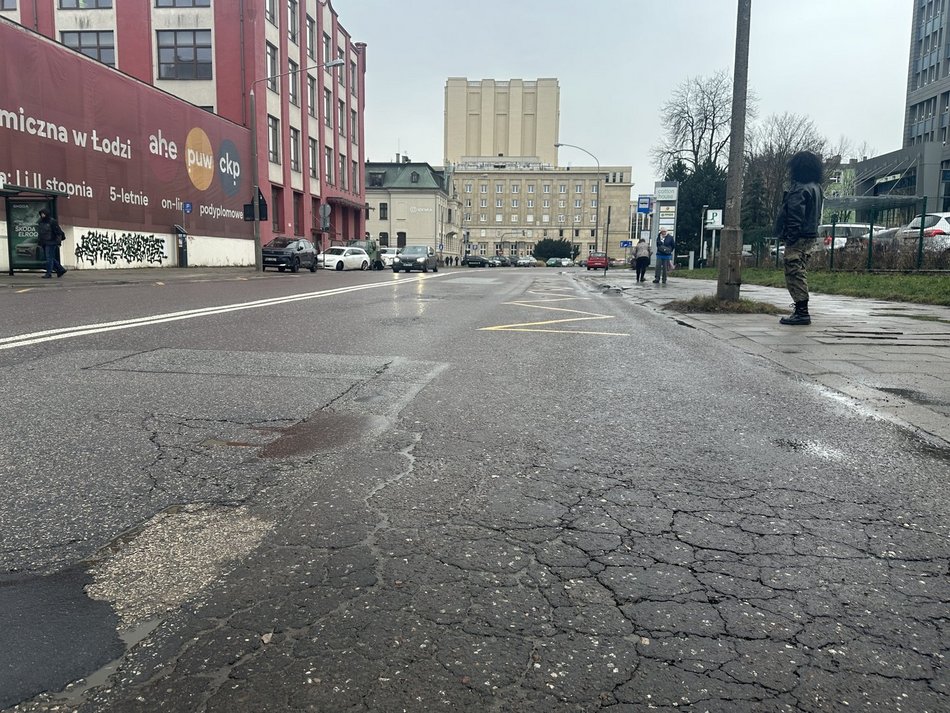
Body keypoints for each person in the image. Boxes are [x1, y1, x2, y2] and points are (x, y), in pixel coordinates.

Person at [774, 150, 823, 325]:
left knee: (794, 272)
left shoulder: (800, 189)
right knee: (800, 270)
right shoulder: (817, 188)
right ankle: (801, 309)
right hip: (810, 235)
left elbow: (795, 215)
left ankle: (801, 311)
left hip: (799, 236)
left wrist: (790, 236)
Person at [37, 209, 67, 279]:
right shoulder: (40, 221)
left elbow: (58, 232)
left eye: (43, 214)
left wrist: (58, 242)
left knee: (49, 258)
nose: (42, 215)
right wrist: (39, 241)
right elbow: (40, 233)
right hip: (44, 242)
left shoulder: (52, 222)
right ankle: (60, 269)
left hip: (51, 242)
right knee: (50, 258)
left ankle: (49, 273)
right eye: (41, 214)